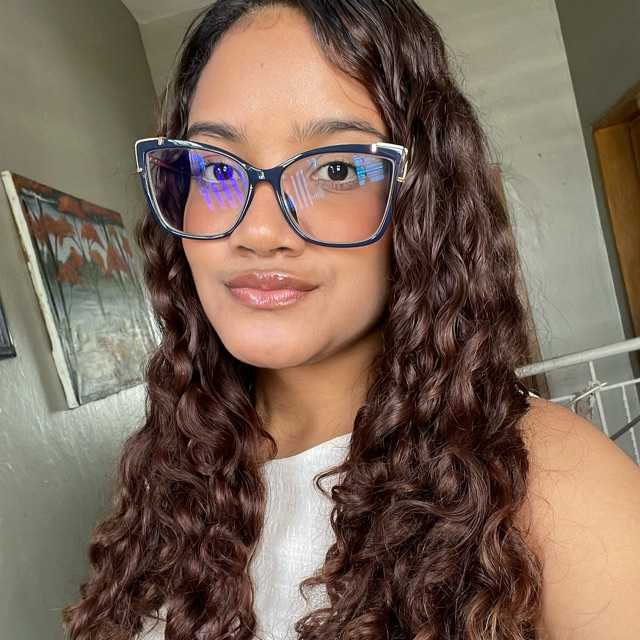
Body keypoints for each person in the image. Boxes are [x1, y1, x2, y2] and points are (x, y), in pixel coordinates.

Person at [62, 1, 640, 639]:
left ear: (421, 202)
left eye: (336, 169)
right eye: (215, 168)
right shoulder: (171, 470)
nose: (259, 230)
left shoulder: (553, 483)